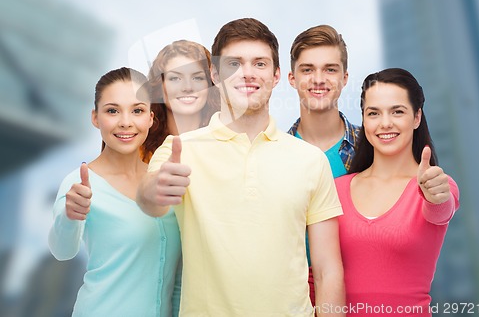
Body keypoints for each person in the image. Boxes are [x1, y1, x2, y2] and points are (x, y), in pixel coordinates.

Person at [138, 18, 346, 317]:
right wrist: (155, 190)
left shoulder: (311, 160)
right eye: (234, 63)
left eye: (259, 64)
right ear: (215, 73)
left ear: (276, 76)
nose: (247, 73)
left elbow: (327, 269)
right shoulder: (178, 150)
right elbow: (149, 200)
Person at [49, 68, 182, 317]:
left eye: (137, 110)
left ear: (151, 118)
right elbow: (62, 250)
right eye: (112, 110)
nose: (125, 121)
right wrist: (69, 216)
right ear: (95, 118)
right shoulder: (80, 183)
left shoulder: (162, 180)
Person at [335, 68, 459, 316]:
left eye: (397, 111)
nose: (385, 123)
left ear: (416, 117)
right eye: (373, 113)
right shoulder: (337, 188)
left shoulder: (434, 185)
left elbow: (440, 210)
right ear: (364, 119)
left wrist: (435, 197)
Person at [288, 24, 360, 304]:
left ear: (344, 78)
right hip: (295, 299)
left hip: (365, 291)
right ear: (292, 79)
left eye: (330, 69)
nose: (319, 79)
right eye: (308, 69)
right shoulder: (273, 156)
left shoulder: (373, 149)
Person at [142, 40, 220, 163]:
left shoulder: (229, 142)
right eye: (175, 78)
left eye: (197, 78)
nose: (187, 87)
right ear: (159, 87)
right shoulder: (140, 147)